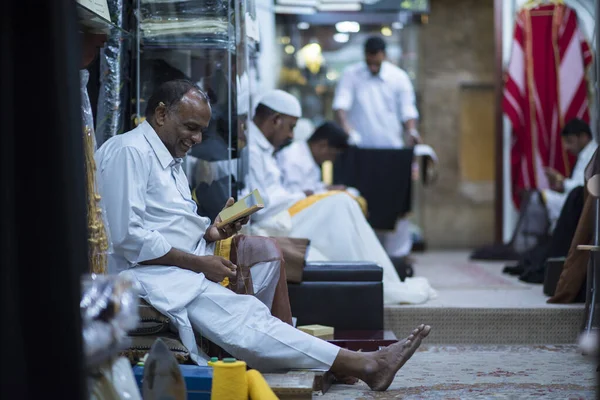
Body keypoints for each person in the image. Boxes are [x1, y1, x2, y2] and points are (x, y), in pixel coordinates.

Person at [95, 79, 431, 390]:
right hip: (144, 275)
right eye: (190, 127)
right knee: (245, 317)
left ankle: (337, 361)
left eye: (201, 130)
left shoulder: (168, 157)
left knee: (257, 288)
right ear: (161, 114)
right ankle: (364, 364)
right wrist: (199, 264)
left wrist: (214, 230)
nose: (197, 139)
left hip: (177, 267)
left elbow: (170, 223)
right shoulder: (129, 152)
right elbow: (129, 238)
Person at [246, 89, 436, 305]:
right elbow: (260, 204)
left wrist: (309, 194)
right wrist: (303, 195)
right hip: (273, 222)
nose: (291, 135)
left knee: (343, 201)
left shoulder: (262, 148)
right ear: (276, 120)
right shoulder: (252, 150)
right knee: (341, 203)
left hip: (285, 211)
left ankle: (377, 276)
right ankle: (371, 278)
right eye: (291, 127)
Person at [333, 36, 420, 261]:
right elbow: (341, 107)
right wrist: (348, 131)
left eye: (377, 61)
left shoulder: (398, 77)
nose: (373, 65)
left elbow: (408, 112)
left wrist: (411, 132)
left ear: (384, 56)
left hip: (391, 150)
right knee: (361, 202)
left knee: (397, 201)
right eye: (369, 61)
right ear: (365, 55)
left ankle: (398, 255)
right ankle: (362, 255)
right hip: (361, 151)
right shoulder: (352, 74)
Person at [542, 118, 597, 226]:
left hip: (584, 206)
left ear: (583, 137)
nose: (566, 147)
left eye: (570, 141)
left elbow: (584, 188)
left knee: (540, 198)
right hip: (577, 203)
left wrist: (561, 181)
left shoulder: (593, 155)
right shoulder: (584, 155)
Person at [276, 121, 349, 195]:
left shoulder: (310, 159)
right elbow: (294, 195)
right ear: (322, 145)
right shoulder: (294, 158)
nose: (333, 160)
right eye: (333, 155)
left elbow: (311, 186)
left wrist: (327, 188)